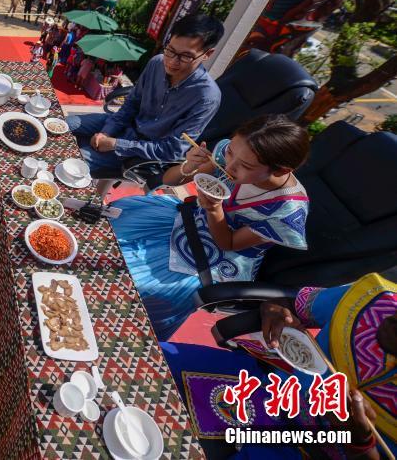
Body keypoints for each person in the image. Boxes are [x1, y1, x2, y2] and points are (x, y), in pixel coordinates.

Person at [109, 114, 311, 340]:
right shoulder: (230, 154)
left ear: (281, 170)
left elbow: (229, 243)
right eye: (230, 153)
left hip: (220, 258)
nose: (230, 167)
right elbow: (172, 180)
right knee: (114, 217)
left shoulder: (286, 212)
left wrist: (214, 209)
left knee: (131, 282)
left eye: (244, 166)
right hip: (191, 217)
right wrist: (189, 165)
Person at [162, 272, 396, 459]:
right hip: (263, 384)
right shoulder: (377, 296)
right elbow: (291, 305)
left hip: (306, 451)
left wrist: (359, 444)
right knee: (143, 362)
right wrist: (274, 310)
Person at [65, 14, 223, 195]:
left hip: (141, 151)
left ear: (208, 54)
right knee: (62, 124)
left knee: (70, 163)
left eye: (185, 57)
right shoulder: (157, 62)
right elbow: (131, 104)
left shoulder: (206, 97)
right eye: (170, 50)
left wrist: (116, 144)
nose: (172, 62)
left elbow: (171, 151)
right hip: (124, 125)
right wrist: (107, 131)